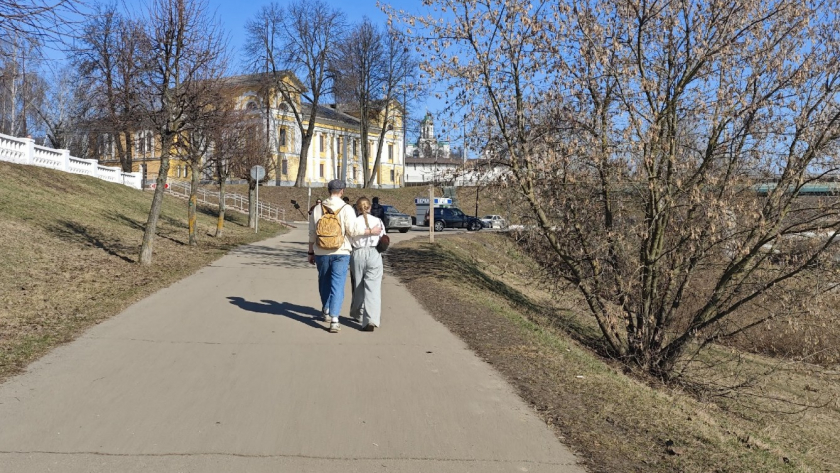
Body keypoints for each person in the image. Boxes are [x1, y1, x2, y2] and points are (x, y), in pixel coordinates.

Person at [308, 180, 381, 333]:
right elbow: (353, 231)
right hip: (341, 252)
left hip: (321, 251)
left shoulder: (317, 208)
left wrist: (310, 252)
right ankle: (335, 320)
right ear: (342, 191)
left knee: (324, 282)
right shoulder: (346, 208)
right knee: (338, 285)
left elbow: (312, 233)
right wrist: (370, 232)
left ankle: (326, 309)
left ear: (329, 191)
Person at [349, 197, 386, 331]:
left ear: (357, 209)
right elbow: (383, 238)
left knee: (358, 286)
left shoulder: (354, 222)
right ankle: (370, 319)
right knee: (373, 288)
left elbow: (350, 237)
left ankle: (357, 313)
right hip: (374, 252)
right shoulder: (378, 221)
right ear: (369, 207)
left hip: (357, 253)